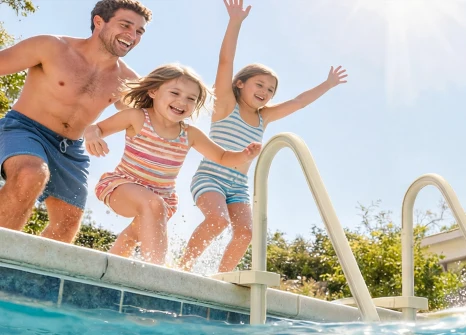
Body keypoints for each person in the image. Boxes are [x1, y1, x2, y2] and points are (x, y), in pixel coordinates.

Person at [177, 0, 347, 273]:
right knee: (218, 221)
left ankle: (220, 278)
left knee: (246, 233)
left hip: (238, 186)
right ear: (240, 83)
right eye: (260, 84)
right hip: (210, 178)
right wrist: (235, 23)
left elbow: (299, 102)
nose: (265, 92)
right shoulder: (225, 105)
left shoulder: (263, 117)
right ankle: (182, 268)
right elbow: (225, 62)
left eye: (270, 90)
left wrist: (327, 85)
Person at [0, 0, 151, 242]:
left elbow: (151, 119)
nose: (132, 36)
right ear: (99, 22)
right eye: (125, 25)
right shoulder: (51, 47)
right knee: (30, 174)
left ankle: (23, 268)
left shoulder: (128, 81)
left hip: (69, 149)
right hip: (24, 129)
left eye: (139, 31)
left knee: (68, 222)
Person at [87, 64, 262, 265]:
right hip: (121, 187)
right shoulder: (137, 117)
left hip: (162, 200)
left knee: (131, 237)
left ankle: (107, 272)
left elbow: (222, 157)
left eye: (191, 98)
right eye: (175, 93)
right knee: (153, 204)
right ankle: (157, 273)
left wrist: (244, 155)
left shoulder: (190, 134)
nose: (182, 101)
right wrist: (92, 136)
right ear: (153, 92)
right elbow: (95, 128)